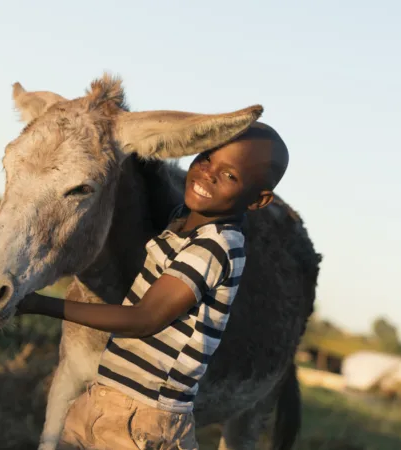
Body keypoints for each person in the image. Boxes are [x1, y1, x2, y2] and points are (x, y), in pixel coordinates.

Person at [17, 122, 290, 449]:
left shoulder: (214, 248)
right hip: (106, 398)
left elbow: (145, 318)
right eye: (205, 159)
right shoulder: (183, 220)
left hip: (144, 419)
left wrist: (39, 304)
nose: (208, 174)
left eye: (230, 175)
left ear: (258, 201)